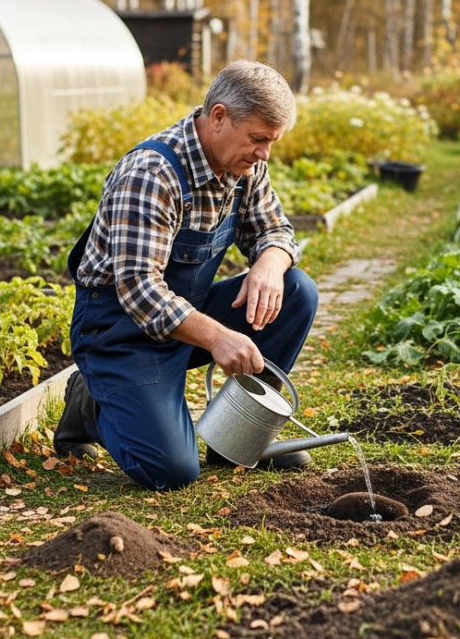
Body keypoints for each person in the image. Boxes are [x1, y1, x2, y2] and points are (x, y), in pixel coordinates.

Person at [55, 60, 319, 491]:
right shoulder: (151, 174)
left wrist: (270, 264)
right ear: (218, 117)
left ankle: (235, 438)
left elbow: (275, 230)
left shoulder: (243, 167)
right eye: (257, 139)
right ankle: (88, 403)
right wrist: (218, 338)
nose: (264, 154)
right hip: (120, 335)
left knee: (295, 291)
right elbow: (140, 290)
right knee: (171, 471)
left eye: (272, 142)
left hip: (184, 321)